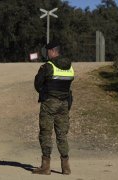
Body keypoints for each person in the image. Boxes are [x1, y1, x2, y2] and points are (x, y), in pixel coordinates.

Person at [33, 41, 74, 175]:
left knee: (45, 133)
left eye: (48, 51)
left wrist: (45, 92)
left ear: (52, 51)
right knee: (62, 135)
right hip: (64, 104)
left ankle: (45, 166)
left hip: (49, 103)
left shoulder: (47, 67)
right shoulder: (69, 67)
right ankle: (65, 166)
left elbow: (38, 84)